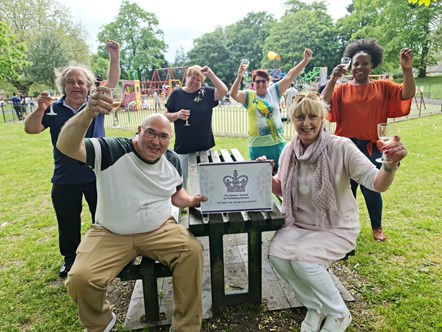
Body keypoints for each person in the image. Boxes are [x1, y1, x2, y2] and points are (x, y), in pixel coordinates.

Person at [56, 92, 208, 332]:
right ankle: (101, 321)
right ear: (139, 130)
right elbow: (67, 146)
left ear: (170, 139)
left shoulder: (171, 161)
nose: (156, 142)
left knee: (192, 252)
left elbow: (176, 192)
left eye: (163, 136)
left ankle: (186, 325)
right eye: (150, 133)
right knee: (80, 279)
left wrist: (191, 200)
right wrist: (88, 113)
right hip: (110, 232)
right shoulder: (111, 150)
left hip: (159, 229)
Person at [263, 93, 407, 332]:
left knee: (303, 263)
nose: (306, 123)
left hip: (336, 226)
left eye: (312, 116)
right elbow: (281, 185)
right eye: (300, 117)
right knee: (278, 256)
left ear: (322, 118)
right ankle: (314, 306)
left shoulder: (341, 147)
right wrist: (263, 175)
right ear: (292, 119)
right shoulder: (290, 150)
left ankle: (339, 314)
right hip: (300, 224)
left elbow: (376, 183)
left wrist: (390, 166)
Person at [23, 40, 121, 278]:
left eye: (81, 82)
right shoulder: (54, 109)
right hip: (65, 176)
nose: (76, 86)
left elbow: (112, 82)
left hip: (96, 173)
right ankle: (70, 259)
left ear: (88, 87)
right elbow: (31, 129)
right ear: (63, 85)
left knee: (104, 217)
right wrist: (40, 109)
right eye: (71, 81)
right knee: (67, 221)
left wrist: (114, 57)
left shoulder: (95, 104)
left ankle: (107, 256)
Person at [321, 39, 415, 242]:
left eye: (365, 63)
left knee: (372, 188)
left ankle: (377, 227)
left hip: (371, 148)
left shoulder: (383, 87)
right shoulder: (342, 89)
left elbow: (407, 94)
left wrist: (407, 70)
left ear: (372, 65)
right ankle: (345, 227)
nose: (359, 67)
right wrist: (333, 80)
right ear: (350, 66)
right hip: (345, 147)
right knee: (345, 190)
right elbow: (322, 104)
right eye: (356, 63)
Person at [229, 48, 313, 173]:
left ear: (268, 82)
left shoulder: (274, 91)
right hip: (257, 146)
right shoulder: (249, 96)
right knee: (260, 183)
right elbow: (233, 94)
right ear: (253, 83)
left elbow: (290, 75)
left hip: (277, 145)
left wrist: (305, 61)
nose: (261, 84)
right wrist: (240, 76)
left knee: (283, 181)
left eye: (264, 81)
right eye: (257, 81)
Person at [165, 65, 228, 190]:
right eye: (192, 78)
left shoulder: (206, 93)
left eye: (199, 80)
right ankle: (184, 208)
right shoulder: (176, 94)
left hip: (204, 146)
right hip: (183, 147)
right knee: (180, 181)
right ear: (186, 77)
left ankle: (202, 207)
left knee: (205, 182)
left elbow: (224, 91)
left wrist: (210, 74)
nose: (195, 82)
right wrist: (177, 115)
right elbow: (166, 116)